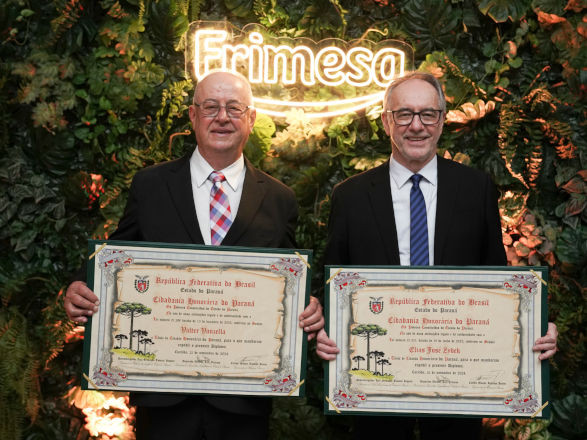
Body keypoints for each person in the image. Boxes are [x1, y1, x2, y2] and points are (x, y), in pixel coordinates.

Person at [64, 70, 324, 440]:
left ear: (251, 118)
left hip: (243, 399)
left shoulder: (280, 198)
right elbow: (119, 254)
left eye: (234, 108)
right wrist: (80, 284)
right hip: (163, 397)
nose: (222, 117)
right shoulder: (151, 185)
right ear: (192, 116)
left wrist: (308, 304)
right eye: (211, 107)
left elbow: (287, 282)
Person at [316, 72, 558, 439]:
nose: (417, 126)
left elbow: (499, 286)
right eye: (404, 114)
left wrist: (536, 329)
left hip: (457, 393)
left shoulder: (476, 188)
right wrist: (323, 328)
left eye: (428, 114)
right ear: (386, 121)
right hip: (376, 395)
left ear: (442, 121)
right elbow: (331, 287)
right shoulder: (350, 196)